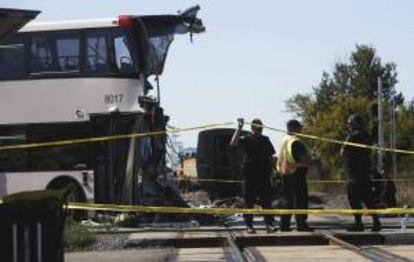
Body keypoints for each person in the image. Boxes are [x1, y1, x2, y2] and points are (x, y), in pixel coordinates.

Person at [230, 118, 276, 234]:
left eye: (261, 128)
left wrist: (275, 171)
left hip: (264, 174)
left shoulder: (265, 140)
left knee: (266, 201)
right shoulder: (247, 139)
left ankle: (269, 224)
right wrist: (239, 128)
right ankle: (249, 225)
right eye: (257, 128)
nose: (259, 130)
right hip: (250, 174)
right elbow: (233, 143)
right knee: (249, 201)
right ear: (252, 128)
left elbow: (271, 157)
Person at [340, 114, 381, 232]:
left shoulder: (352, 136)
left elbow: (343, 151)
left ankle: (358, 223)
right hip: (365, 172)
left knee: (354, 199)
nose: (348, 125)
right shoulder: (367, 135)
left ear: (356, 123)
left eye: (350, 123)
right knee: (369, 199)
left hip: (354, 174)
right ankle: (376, 221)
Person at [276, 119, 313, 231]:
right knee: (300, 200)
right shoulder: (295, 141)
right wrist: (310, 161)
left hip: (285, 174)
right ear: (294, 128)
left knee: (287, 200)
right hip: (297, 174)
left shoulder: (284, 140)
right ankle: (301, 225)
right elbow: (304, 160)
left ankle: (284, 225)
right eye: (299, 128)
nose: (300, 130)